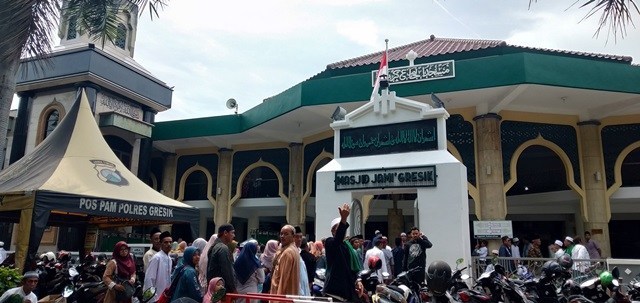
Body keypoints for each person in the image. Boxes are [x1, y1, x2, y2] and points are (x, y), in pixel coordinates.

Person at [324, 203, 360, 302]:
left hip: (346, 291)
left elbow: (350, 268)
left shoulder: (347, 246)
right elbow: (337, 239)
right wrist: (343, 219)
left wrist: (358, 280)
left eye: (343, 229)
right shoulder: (330, 242)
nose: (343, 231)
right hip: (334, 292)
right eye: (339, 228)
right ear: (333, 231)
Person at [207, 224, 237, 294]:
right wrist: (233, 289)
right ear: (225, 233)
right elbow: (227, 271)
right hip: (222, 291)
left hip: (215, 289)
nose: (234, 235)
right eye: (232, 233)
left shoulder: (214, 246)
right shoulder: (223, 248)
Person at [271, 225, 301, 295]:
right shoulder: (293, 249)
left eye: (286, 234)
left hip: (283, 295)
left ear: (293, 236)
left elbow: (283, 280)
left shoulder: (287, 252)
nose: (282, 236)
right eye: (281, 234)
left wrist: (277, 299)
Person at [145, 231, 173, 303]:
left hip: (165, 297)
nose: (169, 244)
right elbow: (149, 279)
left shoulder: (169, 259)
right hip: (156, 298)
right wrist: (153, 299)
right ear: (161, 244)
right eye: (166, 242)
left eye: (170, 242)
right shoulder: (156, 258)